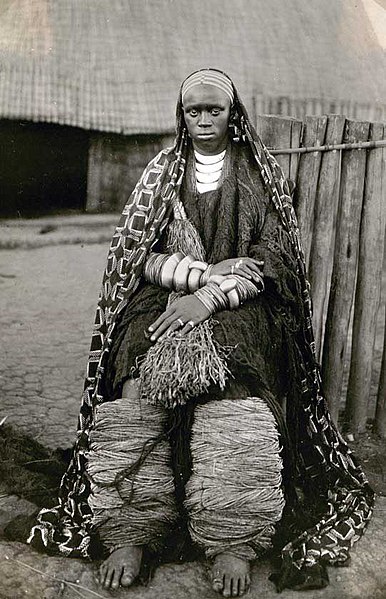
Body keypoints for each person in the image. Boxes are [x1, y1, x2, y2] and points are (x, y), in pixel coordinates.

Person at [28, 69, 374, 597]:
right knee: (136, 373)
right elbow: (135, 258)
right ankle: (132, 528)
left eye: (215, 110)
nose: (205, 120)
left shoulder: (260, 177)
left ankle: (233, 535)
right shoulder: (160, 176)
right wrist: (196, 276)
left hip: (242, 301)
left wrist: (210, 297)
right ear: (181, 116)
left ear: (234, 114)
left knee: (233, 377)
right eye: (195, 111)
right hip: (166, 295)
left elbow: (273, 258)